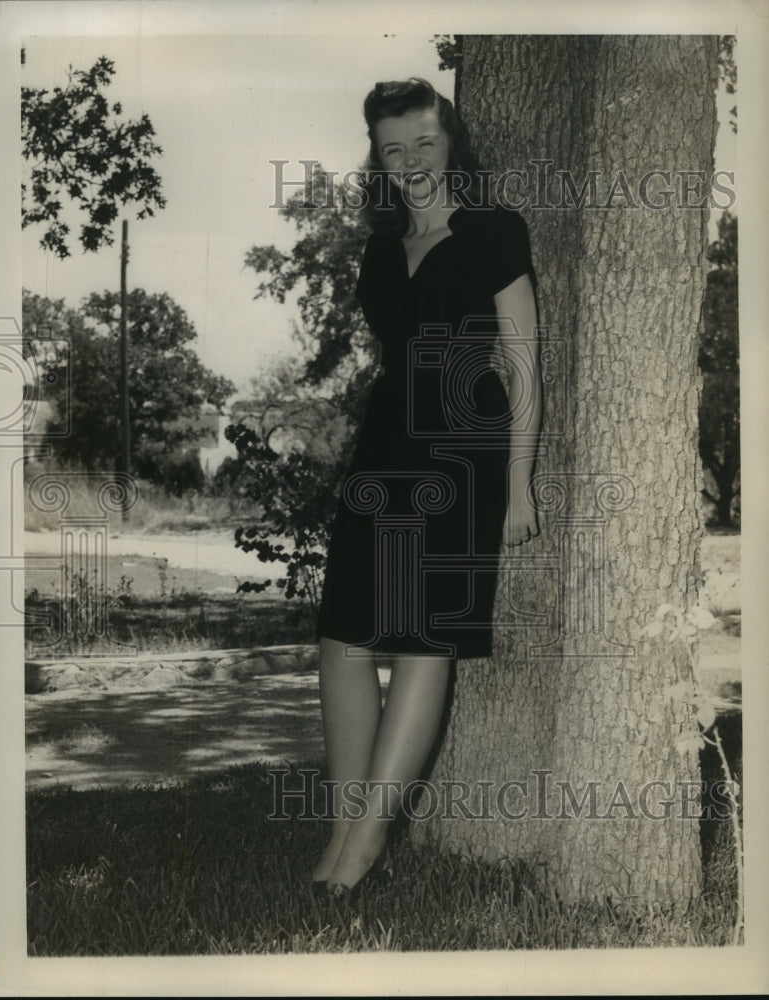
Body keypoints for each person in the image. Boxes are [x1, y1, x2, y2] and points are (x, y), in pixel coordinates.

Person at [312, 78, 541, 893]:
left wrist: (517, 484)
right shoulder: (379, 245)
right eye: (392, 148)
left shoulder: (491, 231)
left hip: (461, 454)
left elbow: (522, 367)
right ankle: (345, 834)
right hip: (383, 448)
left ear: (452, 145)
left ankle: (362, 851)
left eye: (423, 143)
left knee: (420, 641)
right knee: (341, 640)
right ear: (377, 157)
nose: (409, 161)